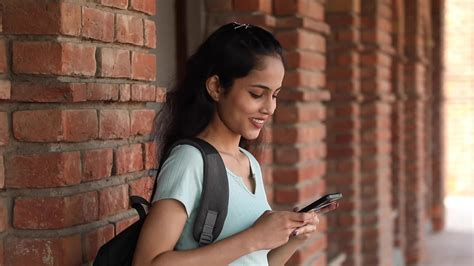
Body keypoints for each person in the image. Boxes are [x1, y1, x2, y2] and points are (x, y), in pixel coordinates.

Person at [133, 22, 331, 265]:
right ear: (216, 87)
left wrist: (294, 238)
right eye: (257, 94)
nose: (269, 108)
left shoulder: (249, 163)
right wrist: (254, 238)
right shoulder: (190, 161)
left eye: (275, 95)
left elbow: (256, 261)